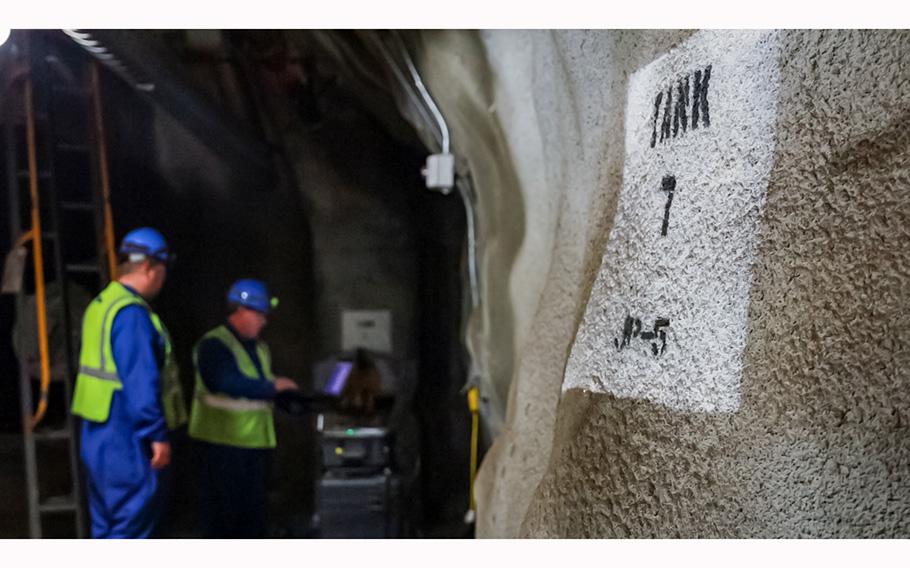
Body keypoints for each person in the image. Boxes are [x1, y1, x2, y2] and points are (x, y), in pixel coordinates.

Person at [71, 227, 187, 538]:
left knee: (107, 528)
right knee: (131, 528)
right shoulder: (132, 315)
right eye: (162, 273)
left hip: (97, 435)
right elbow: (140, 381)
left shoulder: (101, 305)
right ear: (150, 268)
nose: (162, 282)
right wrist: (157, 436)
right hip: (127, 438)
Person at [188, 278, 298, 538]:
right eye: (259, 314)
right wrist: (274, 387)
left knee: (252, 520)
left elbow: (256, 393)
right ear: (241, 311)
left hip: (253, 445)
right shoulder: (214, 345)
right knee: (226, 522)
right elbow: (224, 382)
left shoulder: (259, 348)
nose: (264, 321)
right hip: (222, 446)